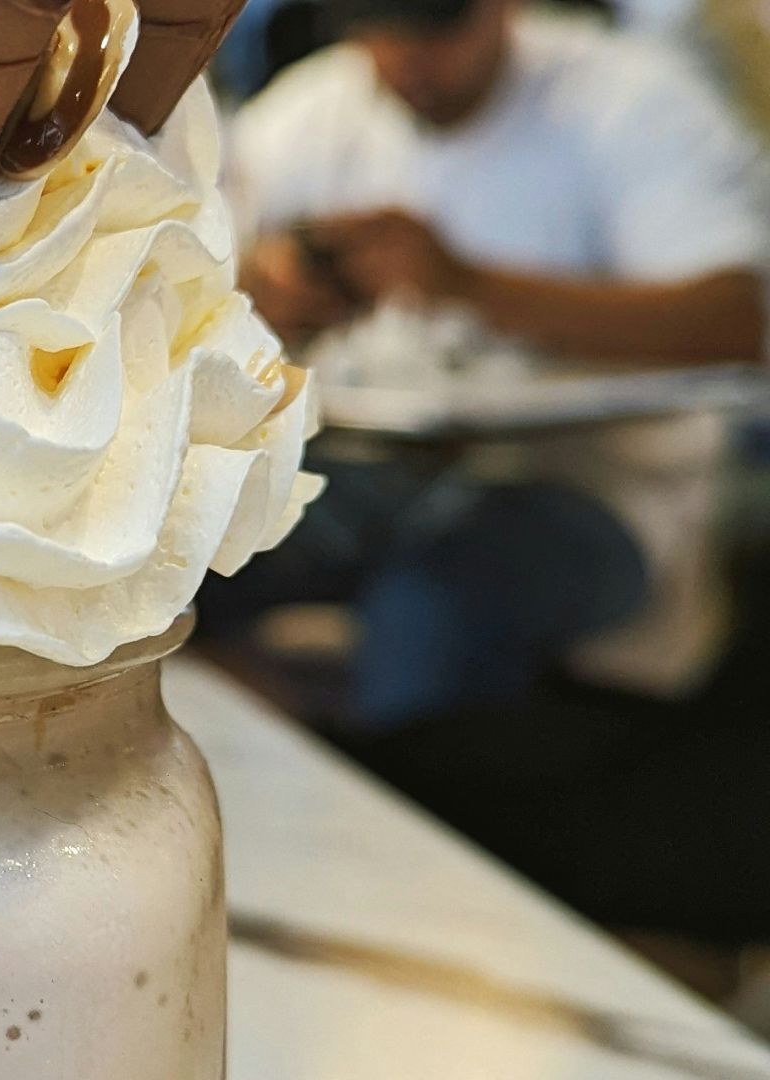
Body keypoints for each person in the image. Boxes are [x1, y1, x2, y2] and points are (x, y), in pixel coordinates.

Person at [211, 0, 770, 937]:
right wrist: (274, 294)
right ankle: (238, 889)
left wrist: (466, 283)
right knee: (199, 551)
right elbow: (211, 288)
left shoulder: (626, 103)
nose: (408, 62)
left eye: (439, 31)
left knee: (440, 604)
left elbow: (737, 318)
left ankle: (411, 931)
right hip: (374, 463)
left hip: (596, 486)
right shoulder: (316, 110)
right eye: (380, 34)